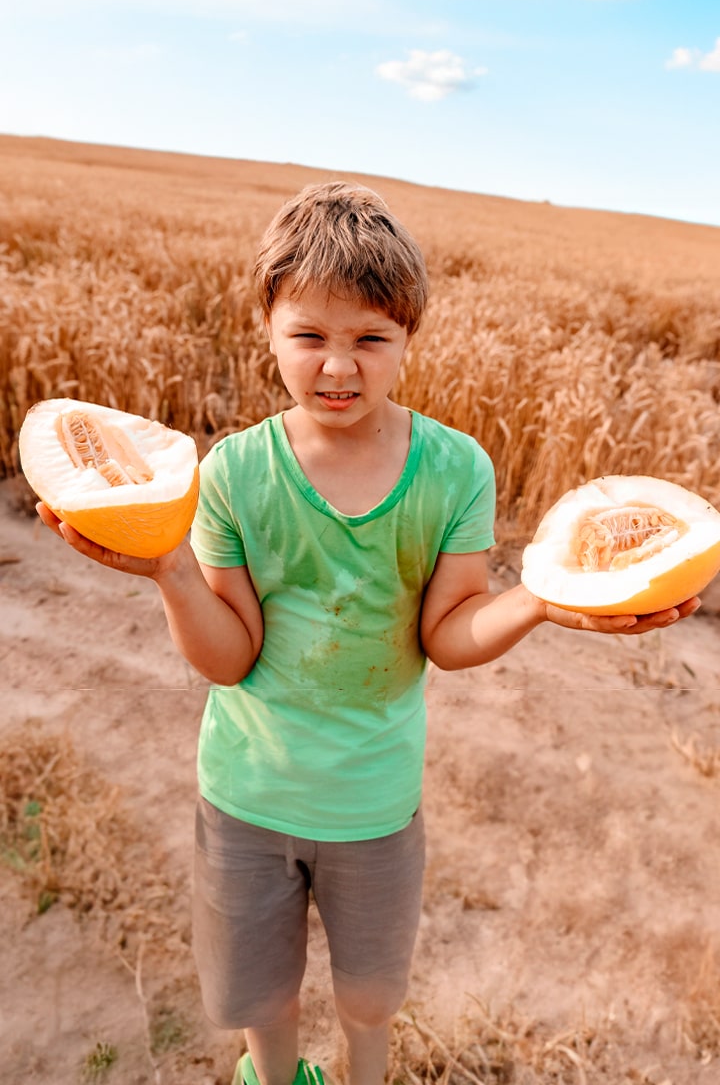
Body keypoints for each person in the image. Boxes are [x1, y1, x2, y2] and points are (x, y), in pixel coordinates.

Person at [36, 182, 700, 1085]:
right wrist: (170, 570)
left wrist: (544, 600)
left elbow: (450, 635)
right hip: (246, 796)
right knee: (255, 998)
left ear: (408, 340)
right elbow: (231, 660)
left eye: (369, 340)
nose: (337, 367)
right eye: (309, 336)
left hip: (376, 808)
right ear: (266, 326)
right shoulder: (231, 473)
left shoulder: (455, 468)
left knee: (371, 995)